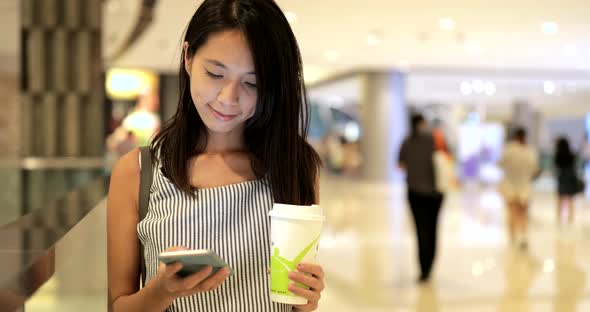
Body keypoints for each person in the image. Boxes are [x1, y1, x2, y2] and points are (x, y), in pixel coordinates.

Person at [107, 1, 324, 311]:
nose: (228, 98)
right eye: (215, 73)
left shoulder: (294, 165)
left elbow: (296, 302)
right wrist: (161, 291)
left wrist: (307, 300)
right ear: (188, 57)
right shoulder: (138, 172)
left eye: (252, 83)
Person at [398, 114, 444, 283]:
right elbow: (447, 159)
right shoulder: (435, 139)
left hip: (415, 192)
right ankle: (429, 265)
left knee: (420, 230)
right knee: (432, 229)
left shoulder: (407, 141)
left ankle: (423, 269)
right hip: (435, 193)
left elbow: (400, 164)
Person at [498, 127, 538, 250]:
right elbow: (534, 170)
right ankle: (523, 236)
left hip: (509, 185)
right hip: (524, 186)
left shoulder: (509, 149)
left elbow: (500, 164)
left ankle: (512, 238)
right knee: (523, 213)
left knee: (511, 212)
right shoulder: (529, 151)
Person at [554, 137, 579, 225]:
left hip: (562, 177)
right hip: (571, 177)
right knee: (570, 199)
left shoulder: (558, 155)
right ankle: (570, 218)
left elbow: (556, 166)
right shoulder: (571, 155)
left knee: (560, 198)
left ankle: (559, 218)